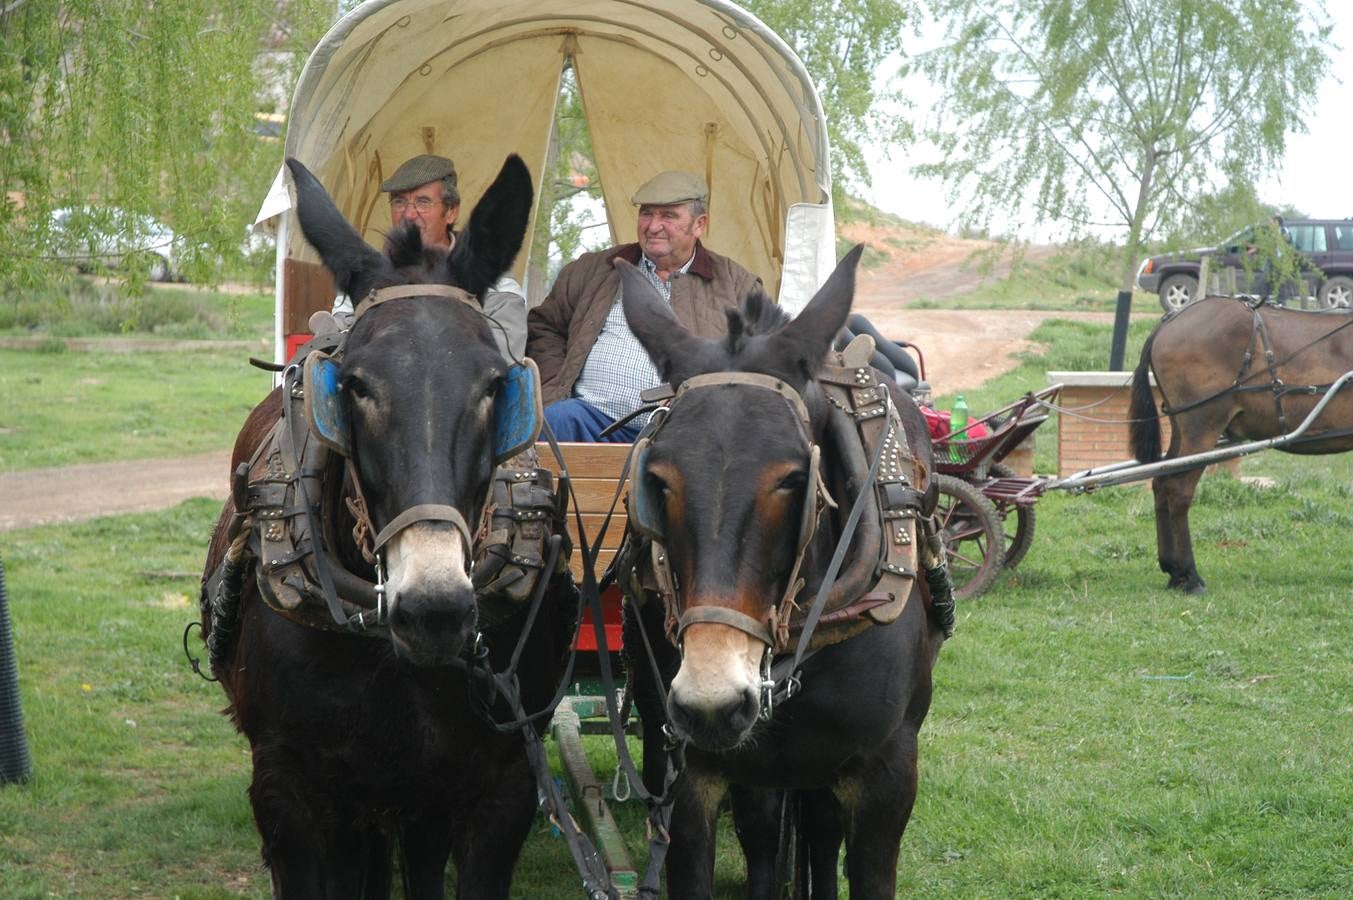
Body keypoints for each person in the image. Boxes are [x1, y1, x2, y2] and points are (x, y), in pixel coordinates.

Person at [527, 170, 761, 441]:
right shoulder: (594, 269)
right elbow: (545, 326)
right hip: (590, 420)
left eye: (668, 216)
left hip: (688, 435)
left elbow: (761, 364)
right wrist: (557, 384)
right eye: (647, 213)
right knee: (551, 422)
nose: (652, 226)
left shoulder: (737, 286)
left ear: (700, 224)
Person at [333, 154, 527, 360]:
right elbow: (340, 341)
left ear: (451, 211)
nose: (408, 214)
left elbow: (503, 354)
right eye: (399, 202)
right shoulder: (365, 274)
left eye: (423, 202)